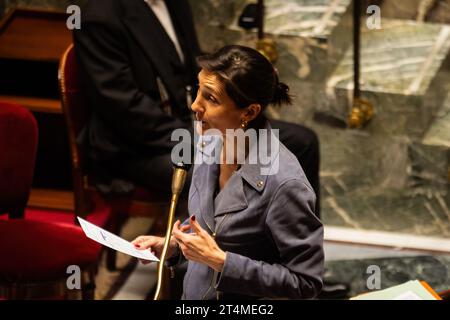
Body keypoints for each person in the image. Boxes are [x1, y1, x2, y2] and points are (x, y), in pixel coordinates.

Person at [73, 0, 321, 217]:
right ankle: (221, 262)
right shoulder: (98, 17)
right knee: (217, 172)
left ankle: (296, 249)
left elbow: (195, 65)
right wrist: (204, 139)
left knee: (301, 142)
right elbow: (123, 109)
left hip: (193, 121)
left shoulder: (173, 2)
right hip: (138, 147)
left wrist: (242, 84)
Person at [132, 45, 324, 300]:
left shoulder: (284, 184)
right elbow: (213, 229)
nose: (194, 105)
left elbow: (306, 282)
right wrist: (173, 246)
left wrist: (222, 262)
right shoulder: (210, 142)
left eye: (211, 98)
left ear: (249, 112)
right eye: (199, 89)